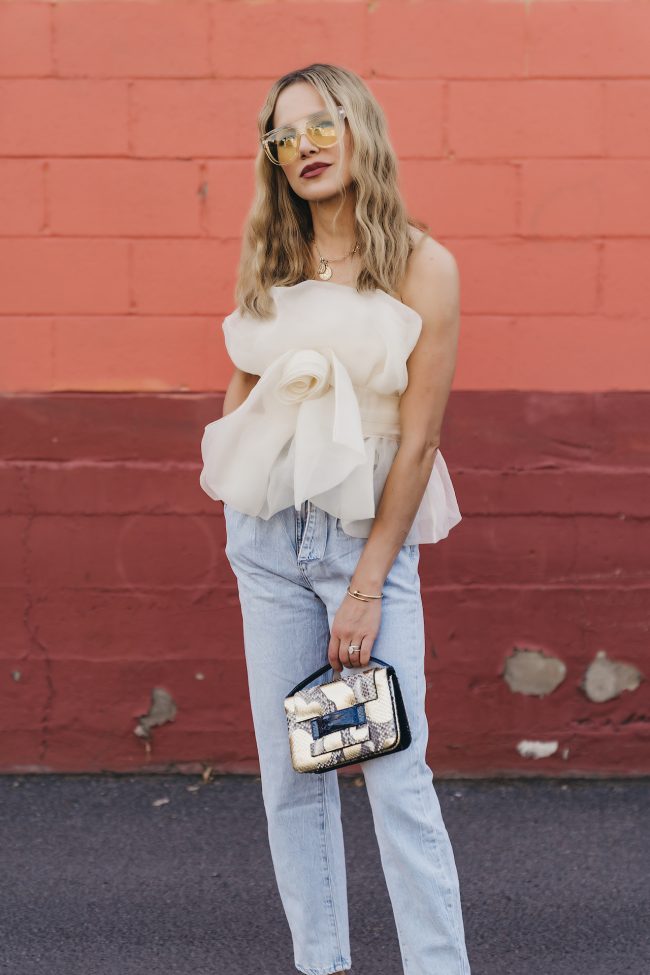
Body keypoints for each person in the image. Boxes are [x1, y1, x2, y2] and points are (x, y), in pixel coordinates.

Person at [200, 63, 471, 975]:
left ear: (360, 128)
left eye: (321, 125)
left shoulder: (423, 267)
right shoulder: (272, 262)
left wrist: (364, 588)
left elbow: (421, 441)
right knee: (293, 780)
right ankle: (322, 965)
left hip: (367, 548)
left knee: (396, 773)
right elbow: (240, 398)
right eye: (284, 137)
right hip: (269, 543)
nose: (303, 148)